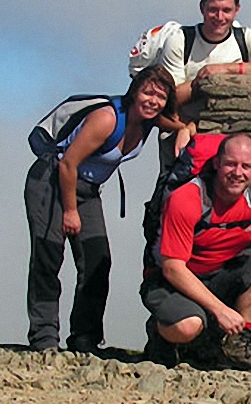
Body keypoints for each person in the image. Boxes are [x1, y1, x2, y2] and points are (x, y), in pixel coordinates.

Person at [24, 65, 176, 353]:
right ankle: (44, 339)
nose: (152, 101)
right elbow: (68, 164)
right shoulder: (107, 118)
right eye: (147, 92)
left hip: (88, 191)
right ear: (134, 92)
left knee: (97, 261)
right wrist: (70, 211)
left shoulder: (148, 120)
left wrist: (187, 129)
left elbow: (176, 123)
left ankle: (85, 339)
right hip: (52, 182)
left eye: (160, 96)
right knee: (49, 257)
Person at [140, 134, 251, 373]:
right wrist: (221, 311)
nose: (238, 172)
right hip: (170, 281)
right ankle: (160, 334)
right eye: (230, 164)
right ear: (216, 163)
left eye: (246, 166)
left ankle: (240, 344)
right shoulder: (187, 199)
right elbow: (172, 268)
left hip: (220, 274)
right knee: (188, 326)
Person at [156, 0, 251, 170]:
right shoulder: (181, 40)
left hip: (234, 134)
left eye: (226, 10)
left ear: (237, 10)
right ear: (202, 8)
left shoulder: (244, 37)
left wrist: (227, 70)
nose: (219, 17)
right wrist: (206, 83)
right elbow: (171, 97)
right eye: (213, 9)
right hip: (183, 133)